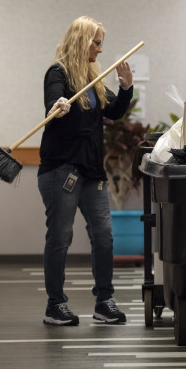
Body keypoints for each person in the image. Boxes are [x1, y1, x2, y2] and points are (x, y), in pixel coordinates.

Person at [37, 16, 133, 326]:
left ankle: (104, 301)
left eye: (101, 42)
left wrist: (127, 87)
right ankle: (56, 305)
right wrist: (60, 104)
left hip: (92, 172)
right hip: (61, 169)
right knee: (61, 237)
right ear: (81, 41)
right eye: (97, 42)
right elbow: (54, 103)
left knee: (103, 236)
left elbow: (114, 111)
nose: (100, 49)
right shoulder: (59, 73)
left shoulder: (93, 78)